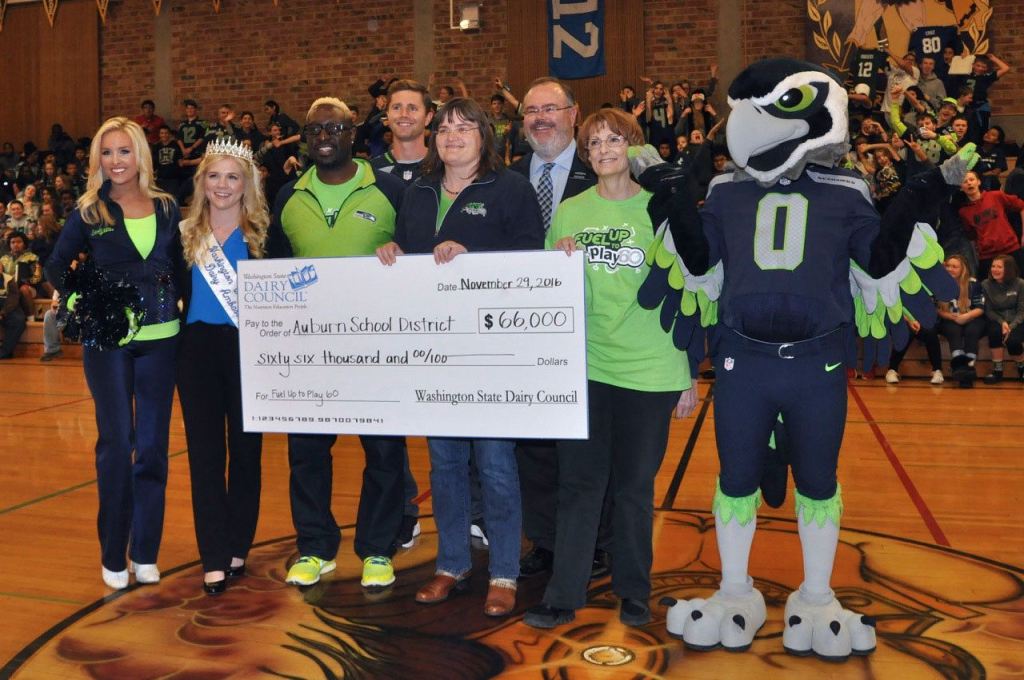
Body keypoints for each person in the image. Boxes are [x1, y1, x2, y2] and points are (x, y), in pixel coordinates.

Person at [523, 109, 696, 629]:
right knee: (579, 484)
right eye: (593, 142)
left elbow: (689, 288)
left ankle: (633, 590)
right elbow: (550, 291)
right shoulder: (570, 211)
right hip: (589, 366)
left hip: (652, 367)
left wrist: (688, 370)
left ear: (633, 146)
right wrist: (561, 261)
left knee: (634, 488)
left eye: (613, 139)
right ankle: (563, 593)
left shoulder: (658, 210)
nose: (602, 149)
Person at [376, 97, 544, 617]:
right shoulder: (419, 191)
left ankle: (503, 572)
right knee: (445, 462)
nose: (452, 135)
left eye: (464, 127)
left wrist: (476, 262)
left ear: (484, 135)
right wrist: (393, 253)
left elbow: (530, 264)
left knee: (495, 463)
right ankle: (450, 563)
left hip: (491, 352)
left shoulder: (511, 189)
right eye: (445, 127)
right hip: (435, 354)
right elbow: (407, 255)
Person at [266, 97, 407, 591]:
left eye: (335, 127)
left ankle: (377, 549)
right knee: (306, 452)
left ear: (354, 134)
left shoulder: (388, 189)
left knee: (385, 453)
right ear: (305, 138)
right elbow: (275, 271)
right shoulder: (287, 196)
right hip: (309, 354)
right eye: (314, 129)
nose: (324, 135)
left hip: (378, 348)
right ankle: (315, 547)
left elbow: (414, 263)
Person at [46, 117, 182, 590]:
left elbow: (180, 267)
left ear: (139, 155)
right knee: (115, 443)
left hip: (163, 340)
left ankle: (145, 550)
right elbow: (57, 265)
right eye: (108, 152)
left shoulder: (167, 207)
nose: (116, 161)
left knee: (152, 448)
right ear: (97, 160)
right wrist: (83, 302)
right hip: (108, 346)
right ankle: (112, 554)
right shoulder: (88, 211)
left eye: (125, 151)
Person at [508, 77, 599, 578]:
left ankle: (597, 539)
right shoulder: (504, 178)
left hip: (593, 333)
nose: (541, 118)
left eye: (551, 108)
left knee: (588, 445)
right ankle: (544, 540)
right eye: (531, 110)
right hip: (525, 336)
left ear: (573, 114)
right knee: (536, 445)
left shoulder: (603, 170)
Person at [176, 139, 269, 596]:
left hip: (250, 350)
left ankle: (237, 544)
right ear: (202, 181)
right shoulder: (185, 234)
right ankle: (212, 555)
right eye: (214, 176)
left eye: (233, 176)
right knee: (206, 455)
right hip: (195, 352)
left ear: (246, 183)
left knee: (247, 453)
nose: (223, 185)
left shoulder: (266, 235)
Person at [958, 170, 1024, 280]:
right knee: (984, 286)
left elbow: (1021, 206)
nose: (969, 183)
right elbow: (971, 236)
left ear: (978, 182)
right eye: (964, 182)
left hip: (1010, 248)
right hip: (987, 255)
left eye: (971, 179)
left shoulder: (996, 196)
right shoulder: (963, 212)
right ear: (961, 187)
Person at [937, 254, 986, 387]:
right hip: (950, 319)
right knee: (953, 330)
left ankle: (966, 369)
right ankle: (961, 368)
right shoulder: (939, 283)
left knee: (972, 330)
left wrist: (966, 316)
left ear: (962, 269)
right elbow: (937, 309)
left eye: (954, 267)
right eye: (948, 266)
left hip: (971, 317)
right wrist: (950, 316)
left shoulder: (973, 284)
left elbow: (981, 308)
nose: (950, 269)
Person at [980, 254, 1024, 384]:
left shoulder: (1020, 284)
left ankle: (1022, 367)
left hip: (1018, 320)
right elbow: (988, 310)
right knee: (993, 332)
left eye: (999, 267)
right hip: (997, 318)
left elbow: (1022, 310)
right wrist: (1002, 322)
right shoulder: (986, 285)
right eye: (993, 266)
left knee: (1013, 342)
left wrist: (1012, 326)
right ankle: (997, 371)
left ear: (1008, 269)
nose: (995, 269)